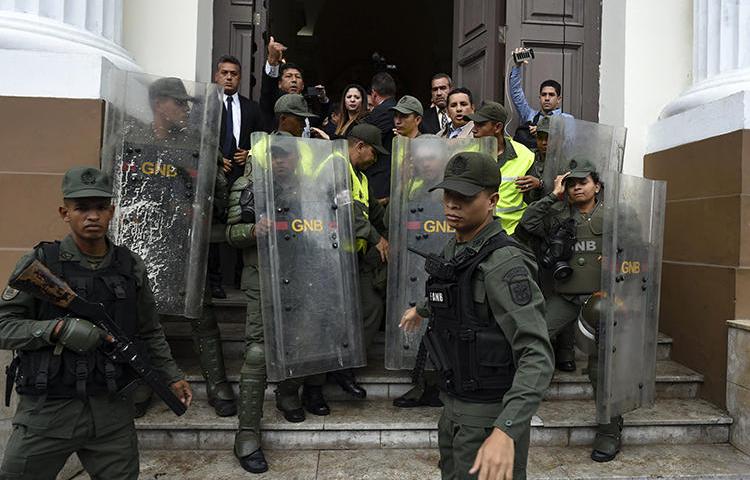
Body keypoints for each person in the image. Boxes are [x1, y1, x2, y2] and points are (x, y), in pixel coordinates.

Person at [0, 166, 192, 479]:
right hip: (48, 413)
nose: (93, 216)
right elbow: (4, 325)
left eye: (101, 208)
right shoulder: (41, 263)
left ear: (112, 212)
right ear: (65, 212)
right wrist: (56, 330)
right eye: (82, 208)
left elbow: (149, 330)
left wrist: (171, 375)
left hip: (111, 414)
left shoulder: (129, 266)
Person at [400, 151, 553, 480]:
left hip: (488, 416)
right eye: (449, 195)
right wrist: (421, 309)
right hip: (453, 405)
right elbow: (452, 293)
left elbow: (537, 354)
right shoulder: (455, 249)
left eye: (465, 197)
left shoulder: (504, 263)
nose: (452, 205)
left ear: (492, 200)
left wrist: (506, 430)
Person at [516, 158, 622, 462]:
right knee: (534, 336)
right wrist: (553, 194)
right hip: (564, 297)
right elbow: (527, 225)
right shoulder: (559, 213)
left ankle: (608, 429)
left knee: (601, 368)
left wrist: (617, 280)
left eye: (583, 182)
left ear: (597, 186)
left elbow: (637, 253)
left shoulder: (614, 215)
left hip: (601, 300)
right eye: (572, 183)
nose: (577, 187)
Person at [328, 124, 390, 398]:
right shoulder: (336, 166)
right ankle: (334, 369)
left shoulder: (360, 177)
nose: (375, 158)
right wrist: (377, 238)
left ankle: (346, 364)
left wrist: (394, 231)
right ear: (360, 146)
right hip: (330, 256)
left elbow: (373, 211)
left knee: (371, 306)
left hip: (355, 257)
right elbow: (346, 212)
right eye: (374, 152)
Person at [209, 54, 265, 299]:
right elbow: (199, 138)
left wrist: (250, 154)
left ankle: (243, 279)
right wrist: (218, 158)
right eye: (224, 73)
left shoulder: (251, 107)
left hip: (243, 178)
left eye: (233, 73)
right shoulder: (207, 106)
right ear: (216, 75)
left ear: (240, 78)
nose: (229, 77)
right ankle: (214, 281)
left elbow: (264, 139)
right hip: (215, 177)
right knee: (214, 230)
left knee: (245, 224)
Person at [468, 101, 536, 235]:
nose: (474, 129)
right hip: (476, 232)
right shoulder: (467, 154)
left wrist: (539, 185)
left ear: (498, 127)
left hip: (513, 233)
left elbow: (533, 201)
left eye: (480, 124)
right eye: (474, 124)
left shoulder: (525, 155)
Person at [260, 36, 330, 133]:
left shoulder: (305, 107)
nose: (294, 80)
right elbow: (268, 89)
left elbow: (319, 118)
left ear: (303, 85)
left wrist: (323, 99)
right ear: (279, 84)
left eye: (297, 77)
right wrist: (272, 63)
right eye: (288, 76)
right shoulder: (273, 102)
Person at [508, 47, 573, 148]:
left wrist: (543, 132)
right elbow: (516, 93)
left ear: (559, 99)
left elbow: (569, 144)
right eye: (544, 95)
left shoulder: (566, 119)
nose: (547, 98)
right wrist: (517, 66)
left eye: (551, 95)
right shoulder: (530, 115)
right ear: (539, 97)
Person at [364, 72, 398, 203]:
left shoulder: (382, 111)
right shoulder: (395, 108)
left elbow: (368, 140)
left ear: (373, 93)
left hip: (380, 179)